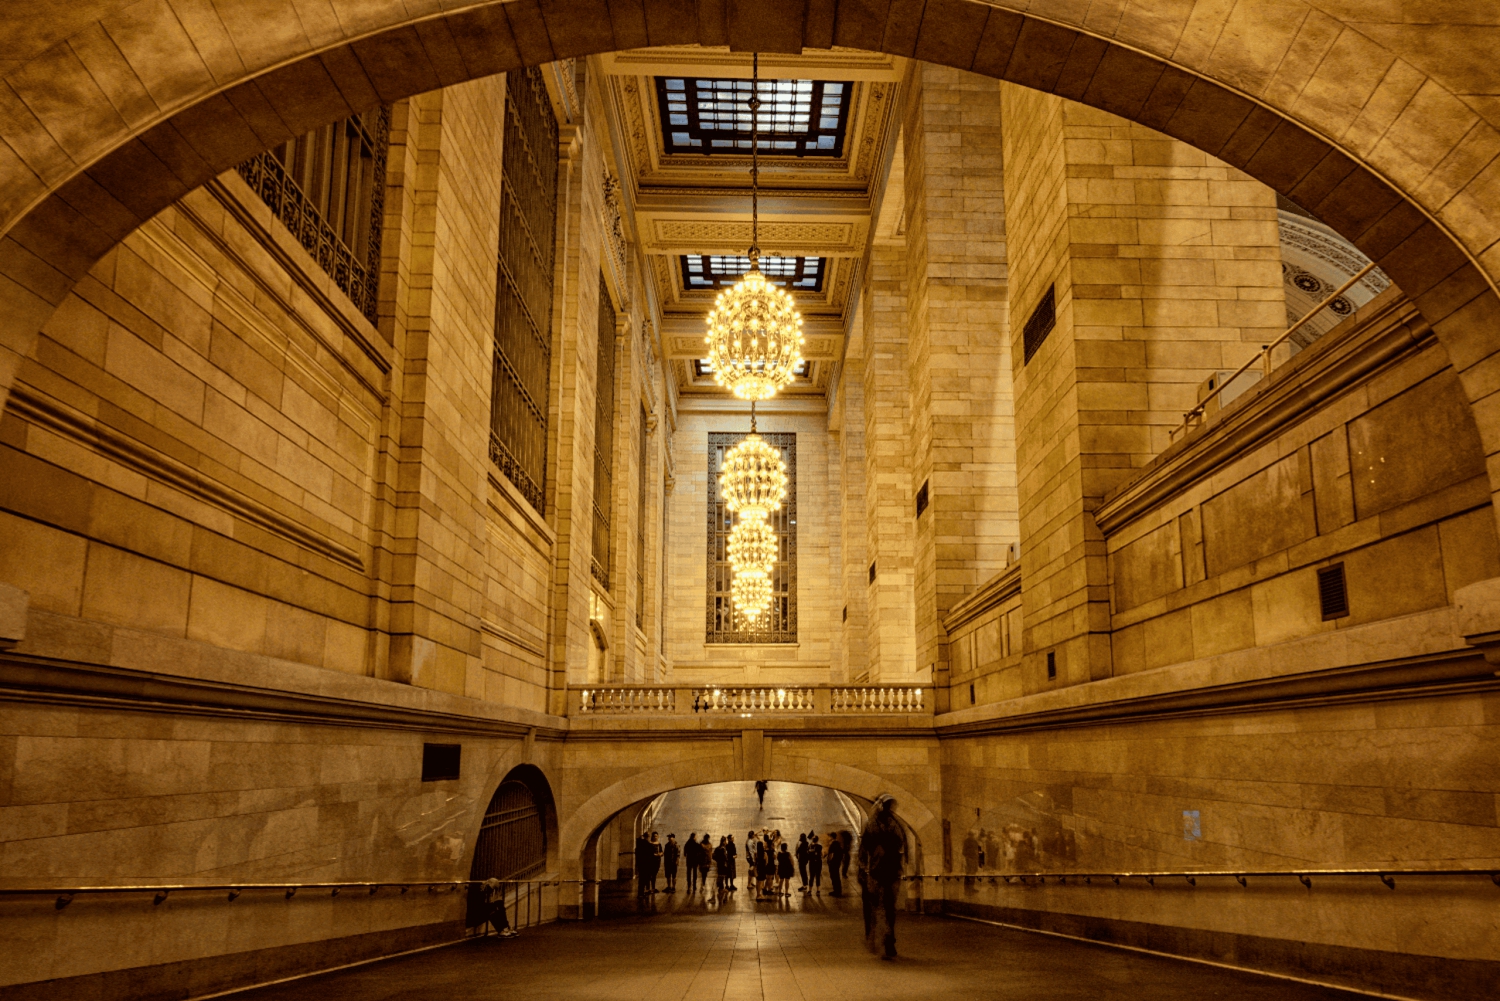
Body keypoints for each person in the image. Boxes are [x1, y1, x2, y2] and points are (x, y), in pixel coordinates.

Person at [859, 794, 907, 960]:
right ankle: (884, 938)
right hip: (883, 871)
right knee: (885, 907)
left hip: (883, 871)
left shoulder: (880, 824)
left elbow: (865, 848)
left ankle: (884, 938)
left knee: (882, 907)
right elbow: (899, 844)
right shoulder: (891, 824)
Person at [826, 831, 845, 897]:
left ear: (831, 837)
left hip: (833, 863)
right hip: (837, 863)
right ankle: (838, 891)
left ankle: (836, 891)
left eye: (829, 837)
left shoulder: (833, 844)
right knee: (836, 876)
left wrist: (828, 862)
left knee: (834, 877)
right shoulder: (838, 844)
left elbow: (830, 855)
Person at [635, 832, 654, 897]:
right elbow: (652, 855)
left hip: (641, 864)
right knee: (646, 878)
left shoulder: (639, 845)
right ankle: (644, 891)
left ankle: (640, 892)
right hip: (647, 864)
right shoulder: (649, 845)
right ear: (648, 837)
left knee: (641, 879)